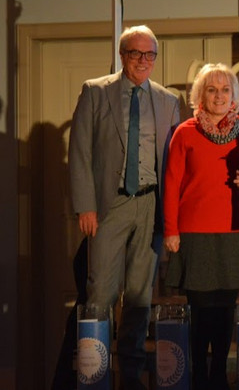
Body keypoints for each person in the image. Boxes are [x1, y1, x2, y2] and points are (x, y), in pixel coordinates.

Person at [68, 25, 180, 390]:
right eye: (136, 53)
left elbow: (176, 163)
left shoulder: (167, 100)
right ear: (122, 55)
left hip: (150, 205)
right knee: (100, 290)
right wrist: (85, 205)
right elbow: (80, 153)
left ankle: (130, 375)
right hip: (108, 204)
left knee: (139, 295)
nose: (143, 61)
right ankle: (94, 373)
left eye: (150, 55)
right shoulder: (95, 91)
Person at [163, 63, 239, 390]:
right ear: (200, 95)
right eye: (211, 89)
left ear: (234, 95)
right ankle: (199, 377)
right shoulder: (184, 132)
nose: (219, 96)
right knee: (201, 312)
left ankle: (218, 374)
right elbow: (172, 183)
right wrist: (170, 230)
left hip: (236, 232)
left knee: (225, 312)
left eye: (225, 90)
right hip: (194, 233)